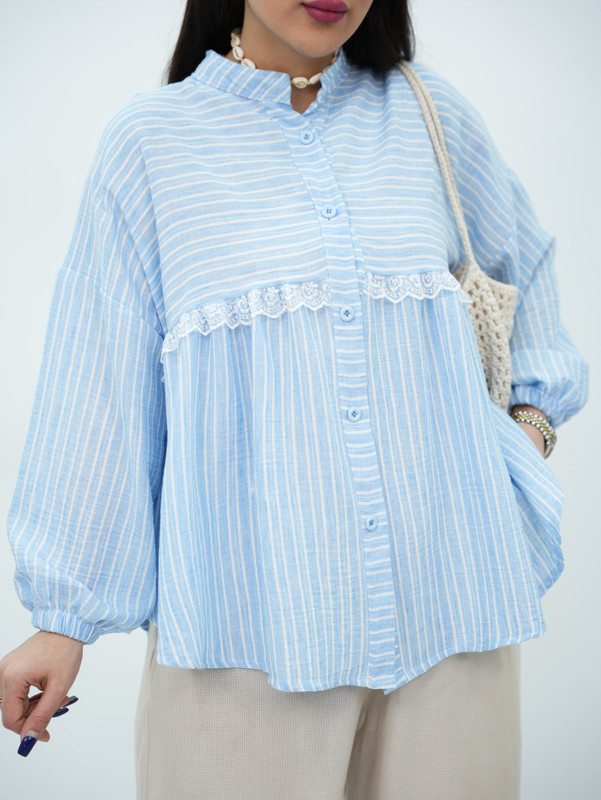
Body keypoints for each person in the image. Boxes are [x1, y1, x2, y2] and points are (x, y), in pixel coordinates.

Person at [0, 0, 590, 797]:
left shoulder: (429, 115)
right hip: (246, 635)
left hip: (455, 616)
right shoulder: (151, 143)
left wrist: (526, 432)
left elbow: (527, 273)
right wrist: (63, 617)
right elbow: (99, 382)